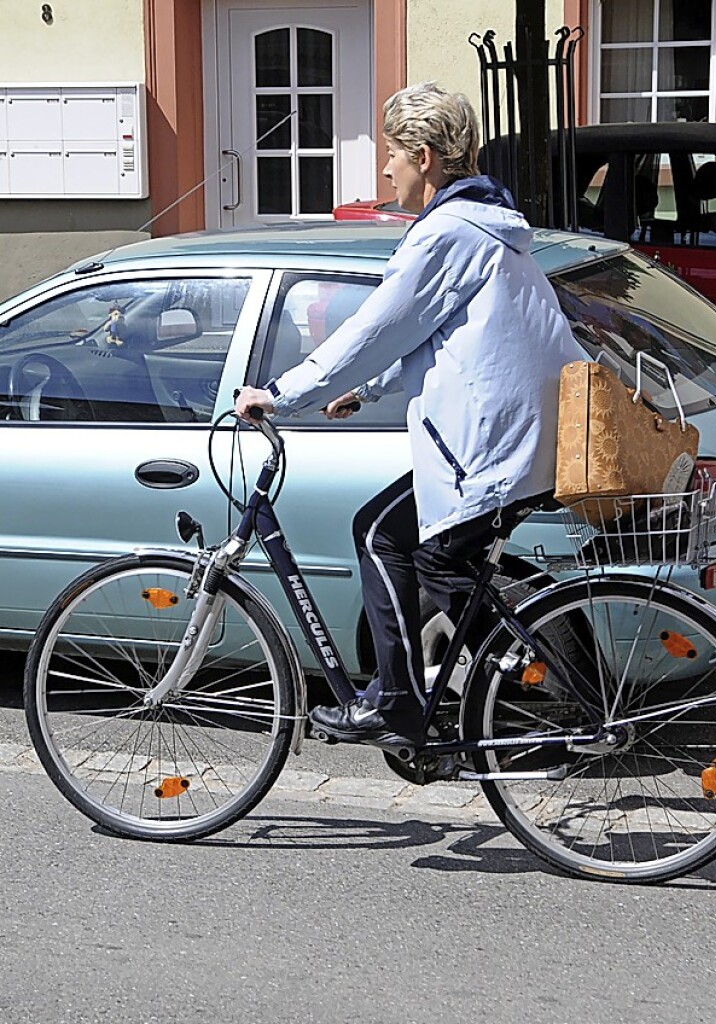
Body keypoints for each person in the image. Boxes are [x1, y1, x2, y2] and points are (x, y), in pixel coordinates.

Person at [235, 82, 584, 750]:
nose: (385, 170)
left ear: (424, 157)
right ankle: (523, 686)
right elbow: (430, 336)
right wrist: (363, 394)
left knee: (382, 539)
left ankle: (408, 700)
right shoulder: (487, 228)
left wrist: (283, 393)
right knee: (427, 558)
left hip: (489, 448)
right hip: (516, 438)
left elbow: (374, 327)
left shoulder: (447, 235)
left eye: (392, 154)